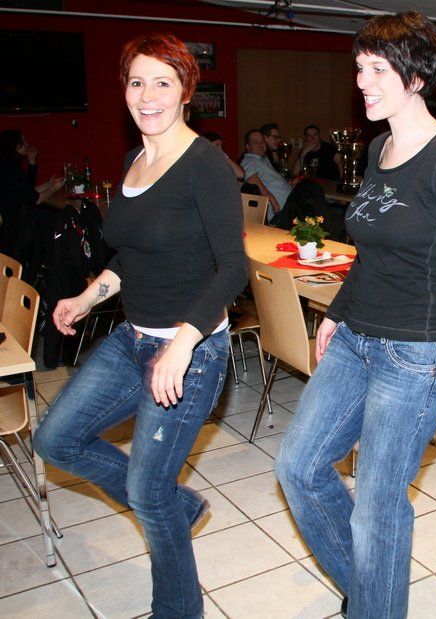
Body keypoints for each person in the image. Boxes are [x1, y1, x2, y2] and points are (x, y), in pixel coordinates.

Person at [275, 12, 436, 618]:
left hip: (418, 352)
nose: (362, 82)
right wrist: (336, 312)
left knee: (377, 506)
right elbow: (371, 249)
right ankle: (373, 594)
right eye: (360, 69)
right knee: (299, 467)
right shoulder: (377, 148)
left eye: (376, 70)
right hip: (355, 337)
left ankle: (373, 604)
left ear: (416, 77)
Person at [33, 33, 247, 619]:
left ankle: (178, 608)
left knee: (147, 494)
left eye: (162, 82)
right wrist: (87, 296)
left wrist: (183, 343)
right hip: (133, 338)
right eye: (136, 82)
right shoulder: (134, 160)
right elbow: (130, 254)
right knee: (55, 440)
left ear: (186, 92)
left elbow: (233, 267)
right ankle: (178, 506)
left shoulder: (205, 166)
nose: (147, 96)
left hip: (190, 351)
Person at [0, 130, 64, 256]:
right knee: (59, 219)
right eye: (22, 142)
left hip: (16, 218)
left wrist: (49, 183)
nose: (27, 144)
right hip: (16, 222)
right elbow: (36, 199)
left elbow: (28, 191)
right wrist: (54, 188)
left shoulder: (8, 164)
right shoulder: (10, 168)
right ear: (13, 145)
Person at [241, 128, 288, 223]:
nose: (260, 144)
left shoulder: (263, 159)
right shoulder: (248, 161)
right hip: (279, 212)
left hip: (288, 206)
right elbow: (253, 181)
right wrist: (272, 200)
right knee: (310, 188)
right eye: (255, 142)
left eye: (262, 141)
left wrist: (289, 183)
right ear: (247, 147)